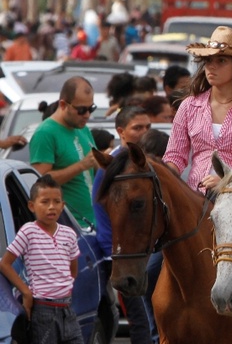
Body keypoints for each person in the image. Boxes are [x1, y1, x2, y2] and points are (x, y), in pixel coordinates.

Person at [163, 26, 232, 192]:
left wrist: (228, 181)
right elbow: (175, 156)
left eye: (221, 61)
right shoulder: (189, 106)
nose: (211, 67)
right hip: (196, 198)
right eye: (208, 60)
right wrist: (162, 176)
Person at [92, 106, 157, 344]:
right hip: (125, 256)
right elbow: (104, 212)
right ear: (121, 131)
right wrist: (115, 253)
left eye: (148, 127)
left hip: (150, 252)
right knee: (141, 319)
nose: (144, 132)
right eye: (137, 128)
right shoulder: (113, 165)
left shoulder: (148, 162)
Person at [0, 175, 83, 343]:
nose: (51, 207)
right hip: (43, 310)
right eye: (45, 202)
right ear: (32, 206)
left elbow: (73, 270)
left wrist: (63, 287)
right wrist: (25, 291)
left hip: (67, 308)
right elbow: (5, 264)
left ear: (63, 205)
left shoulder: (69, 234)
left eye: (56, 201)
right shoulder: (28, 232)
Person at [30, 76, 98, 228]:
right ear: (63, 104)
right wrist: (81, 166)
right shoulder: (45, 133)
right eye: (81, 110)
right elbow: (40, 182)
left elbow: (95, 166)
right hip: (68, 227)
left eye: (91, 108)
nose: (87, 115)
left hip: (94, 223)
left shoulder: (83, 128)